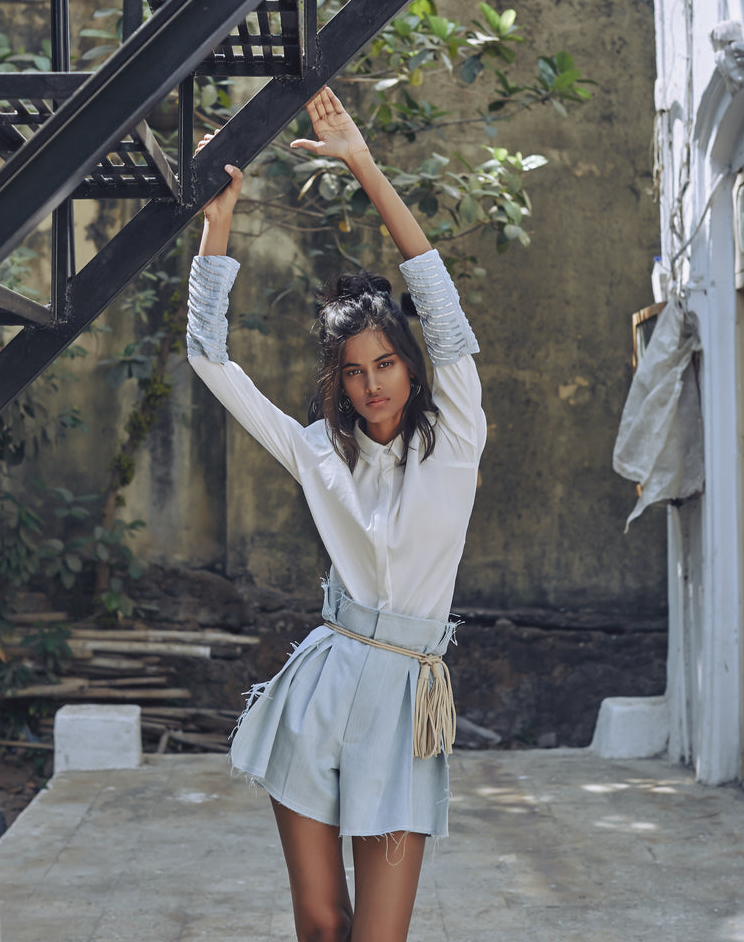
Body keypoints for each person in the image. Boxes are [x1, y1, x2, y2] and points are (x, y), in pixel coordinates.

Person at [186, 86, 487, 942]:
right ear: (337, 381)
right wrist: (219, 223)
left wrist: (362, 162)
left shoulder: (457, 434)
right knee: (322, 930)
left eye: (387, 363)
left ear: (411, 366)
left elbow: (438, 299)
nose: (373, 384)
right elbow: (210, 358)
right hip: (319, 688)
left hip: (406, 701)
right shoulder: (317, 450)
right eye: (354, 372)